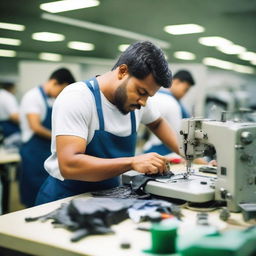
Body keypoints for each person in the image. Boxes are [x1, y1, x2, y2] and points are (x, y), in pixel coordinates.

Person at [35, 41, 180, 205]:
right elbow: (70, 165)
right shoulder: (77, 97)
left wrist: (191, 155)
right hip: (65, 199)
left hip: (108, 196)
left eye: (149, 96)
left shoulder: (138, 101)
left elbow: (157, 123)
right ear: (123, 71)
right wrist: (132, 162)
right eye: (141, 92)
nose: (144, 102)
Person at [19, 68, 75, 207]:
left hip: (45, 150)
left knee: (46, 193)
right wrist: (62, 137)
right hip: (33, 151)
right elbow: (35, 126)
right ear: (54, 83)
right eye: (61, 90)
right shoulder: (33, 97)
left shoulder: (50, 99)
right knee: (33, 192)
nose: (61, 94)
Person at [143, 70, 195, 155]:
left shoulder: (157, 96)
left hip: (153, 147)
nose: (185, 94)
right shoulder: (171, 102)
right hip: (164, 149)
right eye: (185, 90)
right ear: (177, 82)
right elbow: (178, 133)